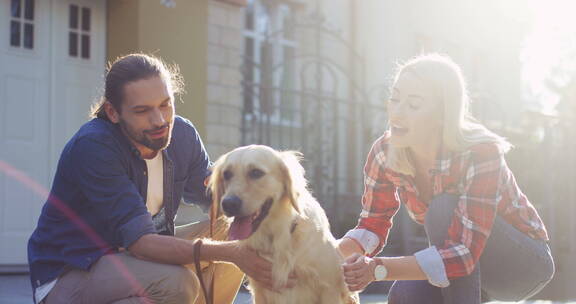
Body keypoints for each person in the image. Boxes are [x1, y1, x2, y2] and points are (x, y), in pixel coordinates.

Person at [27, 54, 287, 304]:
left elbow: (215, 197)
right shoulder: (94, 146)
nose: (160, 120)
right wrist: (233, 254)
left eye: (166, 104)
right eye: (142, 111)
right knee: (176, 284)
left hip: (133, 256)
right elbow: (142, 244)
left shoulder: (182, 134)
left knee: (229, 224)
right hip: (74, 269)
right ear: (113, 112)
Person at [338, 54, 554, 304]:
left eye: (414, 104)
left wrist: (376, 268)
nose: (397, 112)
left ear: (443, 113)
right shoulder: (384, 152)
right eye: (395, 99)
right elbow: (371, 225)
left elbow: (462, 254)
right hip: (462, 264)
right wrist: (324, 257)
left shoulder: (480, 152)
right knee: (405, 296)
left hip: (523, 264)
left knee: (443, 208)